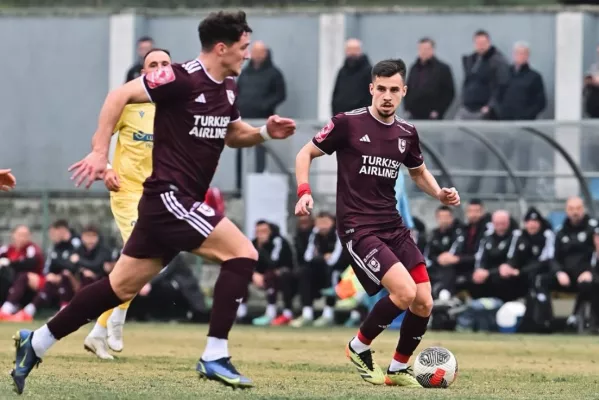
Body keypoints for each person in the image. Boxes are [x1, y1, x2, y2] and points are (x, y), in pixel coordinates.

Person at [11, 11, 295, 394]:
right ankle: (214, 354)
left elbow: (230, 133)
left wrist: (264, 133)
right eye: (243, 49)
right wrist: (99, 152)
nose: (247, 56)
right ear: (222, 47)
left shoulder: (228, 87)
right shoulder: (180, 76)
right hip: (169, 198)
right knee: (242, 254)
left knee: (119, 288)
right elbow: (120, 94)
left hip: (171, 205)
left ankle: (38, 342)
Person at [294, 58, 460, 387]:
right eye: (381, 89)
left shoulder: (406, 133)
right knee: (403, 292)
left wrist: (439, 193)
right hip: (359, 227)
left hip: (393, 226)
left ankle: (398, 369)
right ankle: (359, 348)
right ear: (371, 89)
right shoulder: (347, 123)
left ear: (403, 92)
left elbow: (418, 173)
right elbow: (305, 154)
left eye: (393, 90)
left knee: (424, 301)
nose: (386, 95)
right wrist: (304, 191)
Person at [83, 48, 173, 361]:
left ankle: (100, 329)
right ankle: (114, 321)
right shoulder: (130, 104)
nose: (160, 68)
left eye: (165, 63)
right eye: (153, 64)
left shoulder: (176, 106)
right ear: (143, 73)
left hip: (159, 194)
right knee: (140, 256)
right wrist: (106, 167)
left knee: (146, 263)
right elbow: (101, 136)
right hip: (127, 191)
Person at [0, 226, 44, 320]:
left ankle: (6, 309)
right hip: (9, 285)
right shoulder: (6, 249)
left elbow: (31, 262)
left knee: (22, 276)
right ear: (13, 235)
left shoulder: (31, 248)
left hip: (30, 287)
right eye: (20, 235)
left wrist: (10, 263)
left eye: (25, 235)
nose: (22, 238)